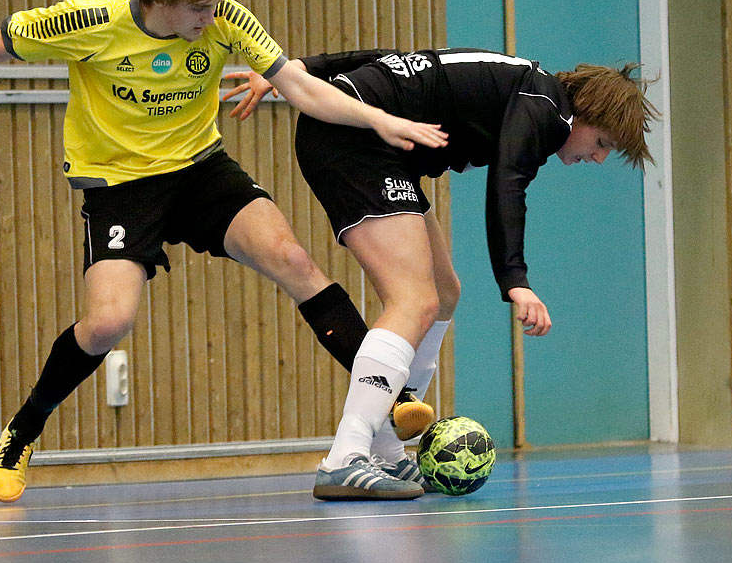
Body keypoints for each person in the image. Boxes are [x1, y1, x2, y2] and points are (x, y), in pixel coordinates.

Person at [0, 0, 448, 503]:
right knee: (108, 323)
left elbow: (296, 84)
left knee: (293, 259)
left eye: (216, 5)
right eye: (198, 8)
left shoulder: (225, 21)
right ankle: (23, 429)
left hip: (201, 170)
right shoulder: (87, 21)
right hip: (121, 187)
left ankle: (389, 399)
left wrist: (379, 120)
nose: (210, 18)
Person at [225, 47, 657, 499]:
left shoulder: (529, 84)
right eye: (603, 143)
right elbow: (508, 182)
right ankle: (345, 457)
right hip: (353, 139)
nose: (600, 158)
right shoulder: (546, 110)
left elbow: (399, 58)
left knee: (444, 293)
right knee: (413, 300)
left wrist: (307, 69)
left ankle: (386, 448)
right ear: (586, 113)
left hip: (377, 147)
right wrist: (516, 282)